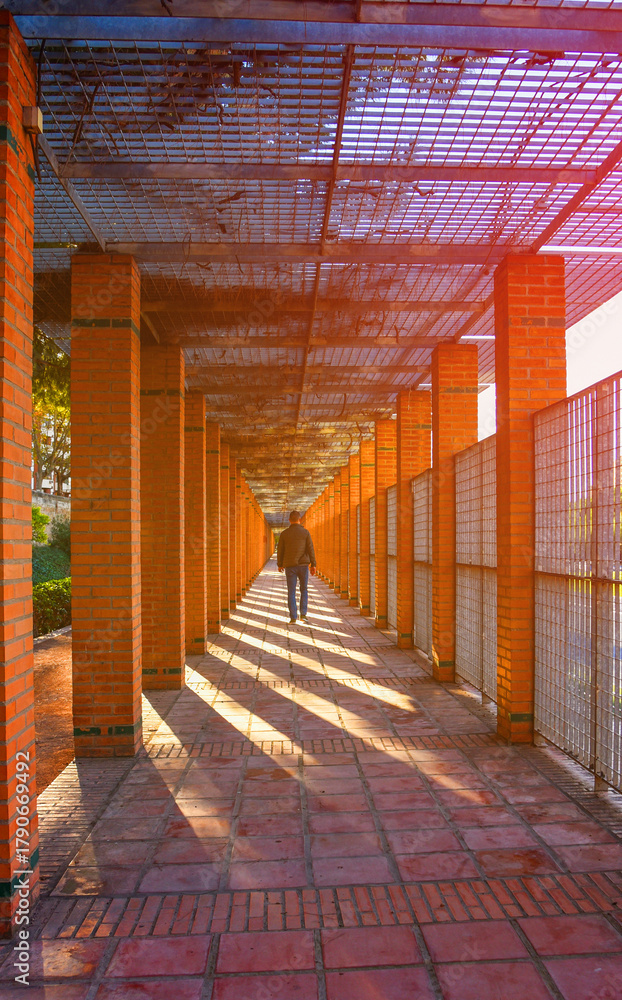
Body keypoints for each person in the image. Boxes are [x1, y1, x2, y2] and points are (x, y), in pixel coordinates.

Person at [277, 510, 317, 625]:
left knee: (291, 591)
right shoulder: (305, 532)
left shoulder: (284, 533)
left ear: (289, 520)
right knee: (303, 589)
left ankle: (293, 617)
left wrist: (280, 564)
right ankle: (303, 615)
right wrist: (313, 564)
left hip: (290, 566)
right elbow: (310, 549)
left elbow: (280, 550)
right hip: (304, 565)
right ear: (299, 520)